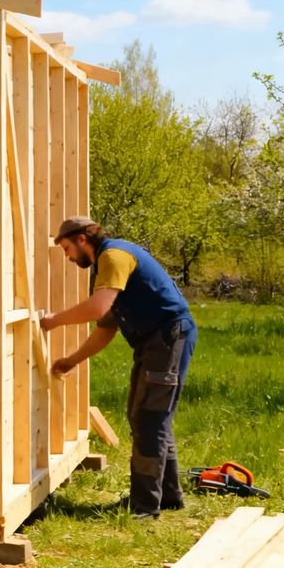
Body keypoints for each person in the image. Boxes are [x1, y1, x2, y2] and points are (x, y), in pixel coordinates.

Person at [39, 216, 196, 520]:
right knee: (147, 416)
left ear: (82, 239)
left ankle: (145, 507)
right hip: (157, 341)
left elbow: (97, 308)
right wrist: (72, 360)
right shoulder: (106, 265)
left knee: (150, 418)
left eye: (67, 248)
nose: (68, 257)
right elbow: (106, 326)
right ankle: (168, 497)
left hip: (167, 338)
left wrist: (55, 320)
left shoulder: (113, 256)